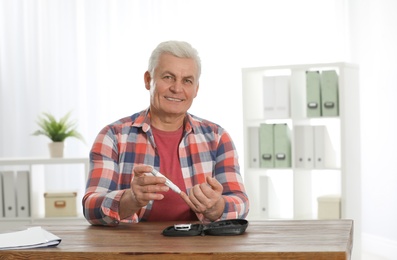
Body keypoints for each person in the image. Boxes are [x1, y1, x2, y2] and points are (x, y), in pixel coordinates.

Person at [83, 40, 249, 226]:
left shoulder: (217, 138)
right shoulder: (112, 137)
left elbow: (241, 202)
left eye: (187, 80)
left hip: (200, 247)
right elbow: (91, 207)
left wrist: (216, 207)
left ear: (196, 89)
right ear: (148, 80)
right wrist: (130, 200)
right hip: (131, 249)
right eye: (168, 77)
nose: (177, 89)